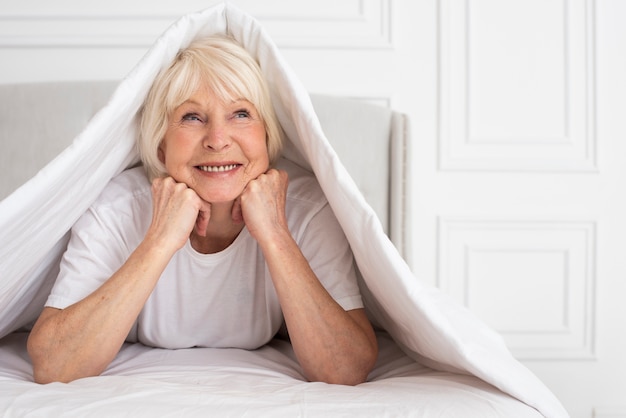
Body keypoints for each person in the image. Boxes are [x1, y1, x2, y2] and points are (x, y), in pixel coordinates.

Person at [26, 35, 378, 386]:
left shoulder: (308, 208)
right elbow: (55, 366)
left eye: (241, 113)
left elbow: (345, 369)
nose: (218, 139)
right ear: (161, 145)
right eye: (192, 117)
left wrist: (275, 234)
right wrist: (160, 241)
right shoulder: (115, 208)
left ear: (268, 138)